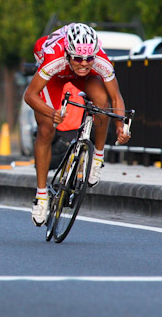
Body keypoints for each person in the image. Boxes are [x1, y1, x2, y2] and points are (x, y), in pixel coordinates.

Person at [24, 23, 131, 226]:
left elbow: (116, 97)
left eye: (88, 59)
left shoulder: (99, 59)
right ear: (68, 54)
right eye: (78, 59)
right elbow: (30, 95)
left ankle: (98, 156)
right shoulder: (53, 58)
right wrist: (51, 113)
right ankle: (41, 195)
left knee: (102, 101)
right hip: (55, 76)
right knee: (46, 129)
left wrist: (120, 126)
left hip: (81, 76)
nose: (83, 64)